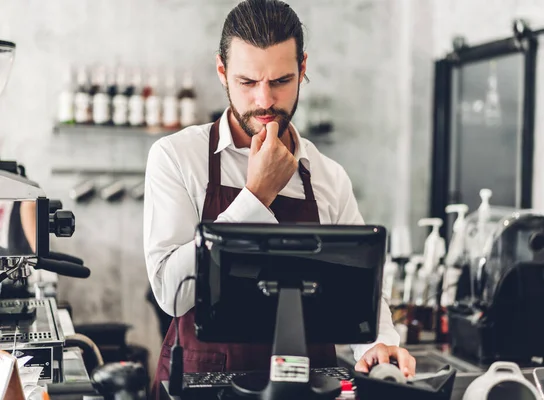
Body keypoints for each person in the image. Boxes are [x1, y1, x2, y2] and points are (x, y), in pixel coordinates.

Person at [143, 0, 416, 395]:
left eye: (281, 81)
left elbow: (360, 291)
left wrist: (380, 345)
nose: (265, 101)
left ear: (303, 69)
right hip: (205, 385)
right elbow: (172, 294)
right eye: (248, 82)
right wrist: (257, 194)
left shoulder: (328, 177)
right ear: (222, 72)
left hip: (310, 385)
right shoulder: (176, 158)